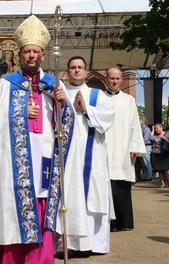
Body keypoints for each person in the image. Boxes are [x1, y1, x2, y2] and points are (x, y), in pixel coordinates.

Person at [0, 15, 83, 264]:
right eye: (27, 51)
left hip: (45, 154)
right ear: (19, 54)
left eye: (36, 51)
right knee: (13, 206)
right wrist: (20, 114)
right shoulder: (5, 84)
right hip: (14, 160)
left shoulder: (54, 83)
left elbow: (67, 127)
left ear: (43, 55)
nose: (31, 55)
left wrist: (62, 104)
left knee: (41, 203)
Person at [63, 56, 114, 253]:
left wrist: (86, 109)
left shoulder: (97, 95)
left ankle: (93, 244)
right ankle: (67, 244)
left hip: (92, 155)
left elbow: (108, 118)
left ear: (86, 71)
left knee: (93, 196)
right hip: (67, 157)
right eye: (73, 67)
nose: (77, 70)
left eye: (80, 67)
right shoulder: (61, 94)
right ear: (67, 71)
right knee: (68, 196)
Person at [104, 66, 144, 232]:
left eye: (117, 78)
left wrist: (134, 146)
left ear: (121, 79)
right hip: (104, 147)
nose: (114, 81)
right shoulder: (98, 97)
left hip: (123, 147)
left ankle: (123, 221)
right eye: (111, 78)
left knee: (121, 184)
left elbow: (135, 124)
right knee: (106, 186)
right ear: (106, 78)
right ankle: (108, 222)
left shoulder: (129, 100)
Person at [150, 123, 169, 188]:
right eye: (155, 129)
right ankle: (162, 184)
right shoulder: (155, 135)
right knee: (160, 169)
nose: (156, 130)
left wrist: (166, 139)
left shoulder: (167, 134)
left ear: (161, 128)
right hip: (157, 153)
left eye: (157, 128)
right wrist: (152, 130)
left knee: (167, 169)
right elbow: (150, 138)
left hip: (165, 153)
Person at [135, 116, 153, 183]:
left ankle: (149, 177)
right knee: (143, 163)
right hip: (142, 146)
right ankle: (146, 177)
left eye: (140, 120)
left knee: (147, 162)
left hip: (146, 146)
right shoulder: (141, 129)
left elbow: (145, 139)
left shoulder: (146, 129)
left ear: (143, 121)